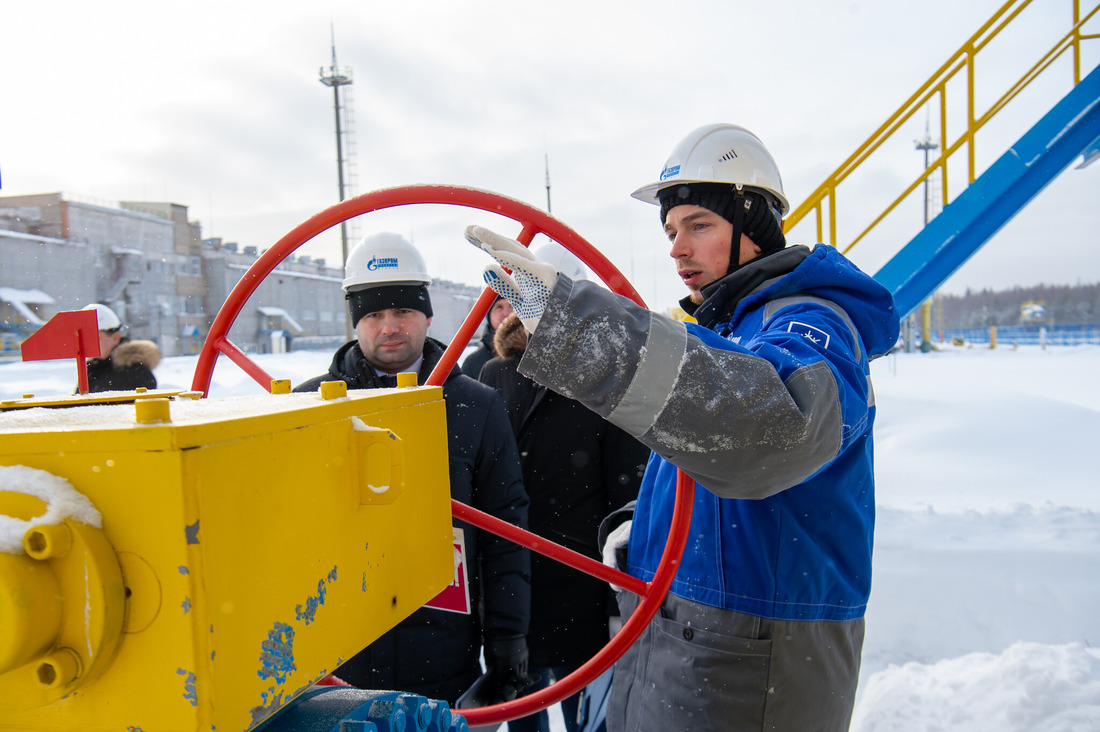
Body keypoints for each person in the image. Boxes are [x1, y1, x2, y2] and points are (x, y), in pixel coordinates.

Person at [464, 123, 901, 731]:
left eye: (699, 225)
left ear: (756, 226)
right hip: (690, 638)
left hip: (753, 656)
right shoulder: (725, 334)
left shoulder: (813, 327)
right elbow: (701, 462)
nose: (677, 248)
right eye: (670, 231)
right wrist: (645, 530)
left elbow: (769, 432)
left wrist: (580, 329)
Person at [293, 232, 533, 706]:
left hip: (443, 654)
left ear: (426, 314)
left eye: (402, 310)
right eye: (373, 314)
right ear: (354, 322)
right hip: (337, 660)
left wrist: (507, 638)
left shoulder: (474, 405)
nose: (389, 327)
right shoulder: (303, 408)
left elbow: (505, 530)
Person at [478, 246, 648, 732]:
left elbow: (626, 490)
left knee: (586, 715)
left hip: (582, 580)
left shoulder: (606, 378)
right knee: (522, 712)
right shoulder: (495, 374)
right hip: (514, 581)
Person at [80, 303, 160, 392]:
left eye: (95, 338)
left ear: (115, 338)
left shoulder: (136, 374)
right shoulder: (92, 370)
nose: (88, 344)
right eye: (85, 339)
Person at [460, 294, 514, 378]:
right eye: (499, 307)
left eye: (512, 305)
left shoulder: (534, 356)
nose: (506, 313)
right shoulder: (473, 362)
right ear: (489, 315)